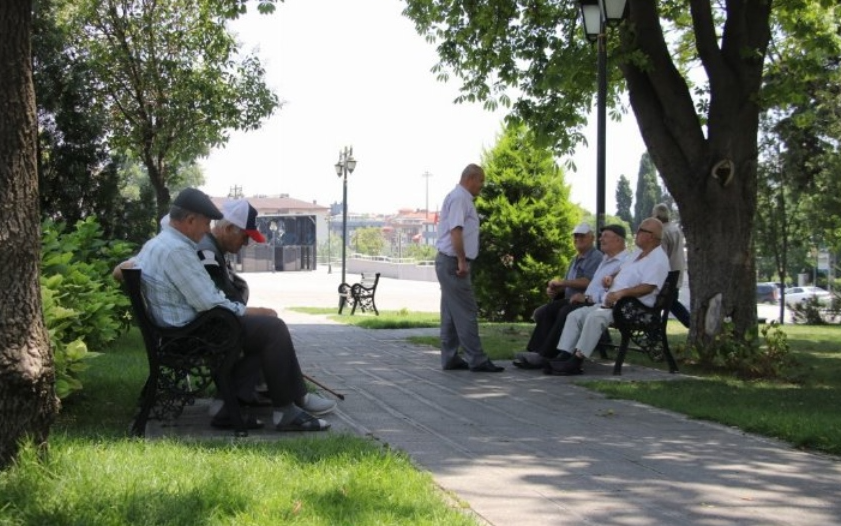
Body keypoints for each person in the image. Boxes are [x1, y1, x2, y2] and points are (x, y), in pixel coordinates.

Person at [128, 188, 333, 432]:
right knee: (272, 329)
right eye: (205, 223)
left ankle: (229, 406)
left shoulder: (160, 242)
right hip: (189, 334)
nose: (207, 230)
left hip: (179, 329)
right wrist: (248, 311)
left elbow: (125, 270)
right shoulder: (177, 250)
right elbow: (210, 303)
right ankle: (286, 409)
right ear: (191, 220)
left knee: (263, 335)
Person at [547, 217, 670, 375]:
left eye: (640, 231)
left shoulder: (658, 259)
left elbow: (648, 287)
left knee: (595, 318)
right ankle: (564, 354)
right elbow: (623, 269)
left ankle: (576, 361)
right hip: (613, 303)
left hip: (633, 309)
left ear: (651, 236)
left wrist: (621, 293)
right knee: (575, 315)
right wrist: (611, 277)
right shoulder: (638, 253)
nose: (636, 233)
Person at [514, 225, 628, 368]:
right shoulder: (605, 259)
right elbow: (591, 285)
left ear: (618, 240)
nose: (601, 239)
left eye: (605, 236)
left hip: (599, 304)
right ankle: (536, 351)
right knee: (550, 309)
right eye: (575, 236)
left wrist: (585, 298)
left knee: (565, 311)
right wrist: (559, 289)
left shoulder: (622, 262)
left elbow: (607, 291)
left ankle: (546, 355)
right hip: (586, 299)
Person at [435, 163, 504, 373]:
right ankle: (477, 359)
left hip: (447, 261)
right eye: (481, 181)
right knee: (467, 311)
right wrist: (462, 260)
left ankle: (450, 358)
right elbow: (456, 231)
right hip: (454, 262)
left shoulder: (459, 197)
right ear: (471, 178)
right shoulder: (460, 198)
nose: (482, 186)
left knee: (450, 312)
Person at [652, 203, 691, 327]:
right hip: (677, 270)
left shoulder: (663, 232)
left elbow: (661, 257)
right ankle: (655, 331)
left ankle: (690, 322)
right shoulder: (675, 229)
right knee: (670, 302)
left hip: (667, 274)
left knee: (664, 302)